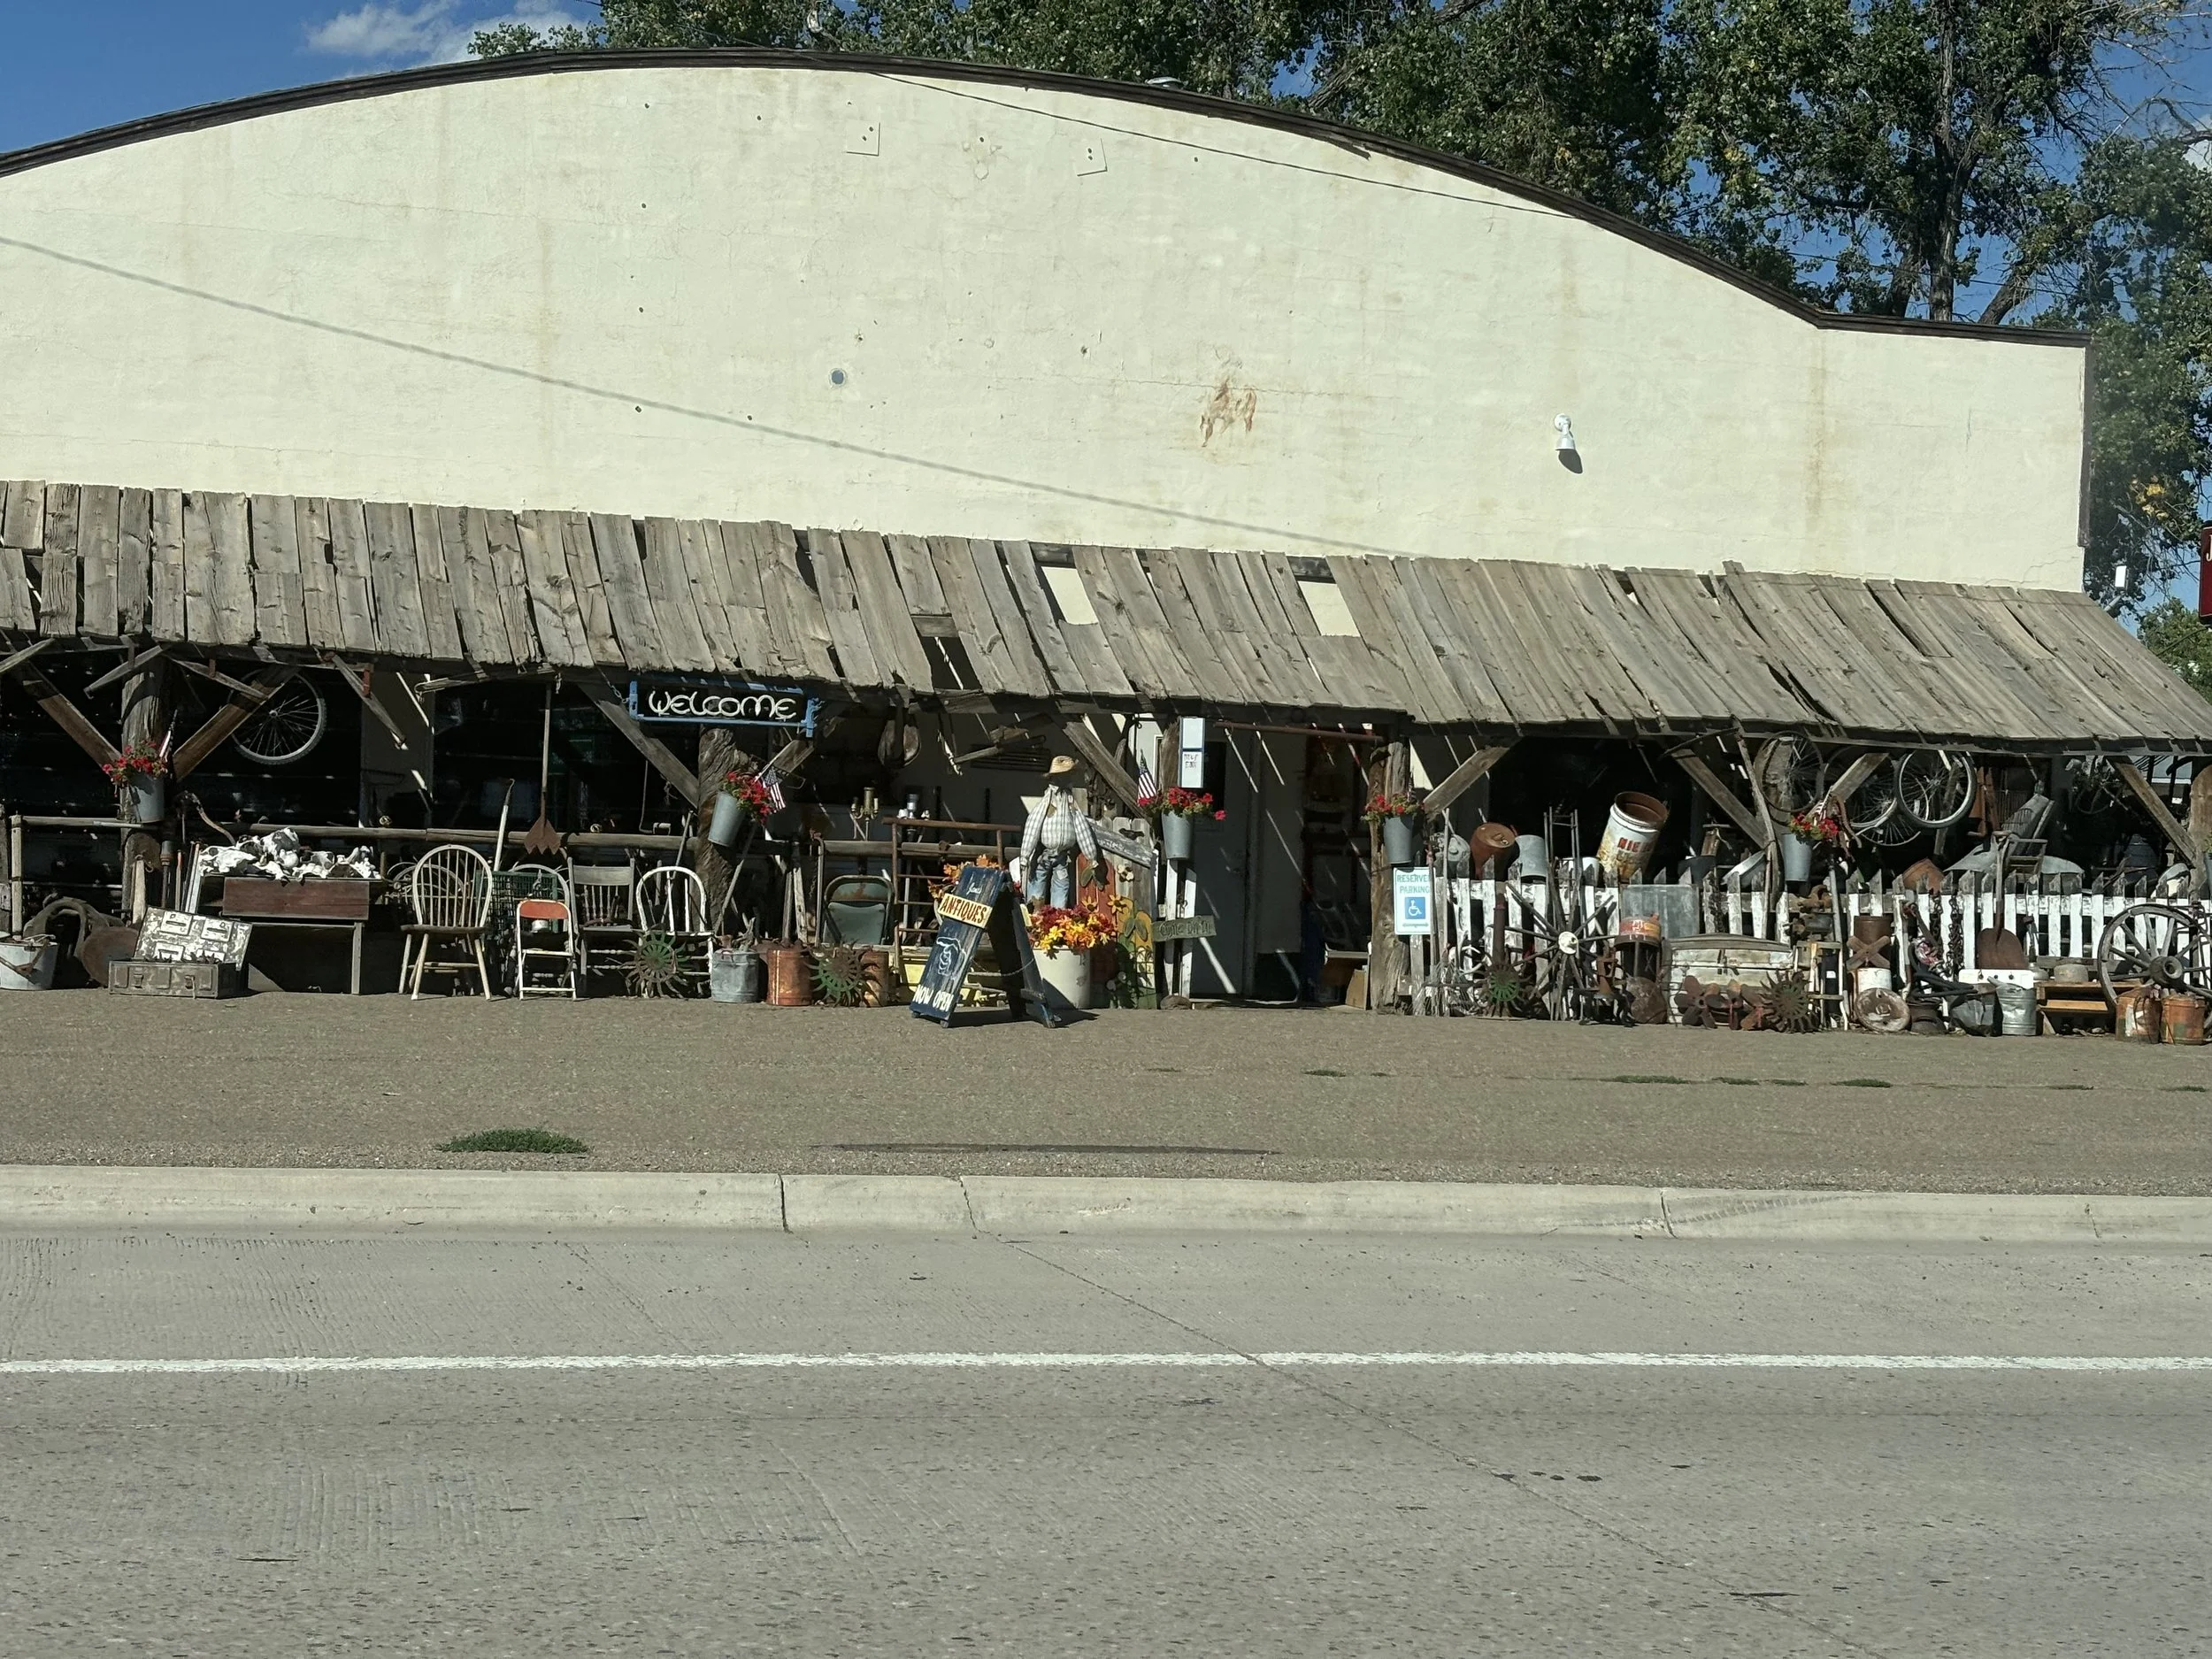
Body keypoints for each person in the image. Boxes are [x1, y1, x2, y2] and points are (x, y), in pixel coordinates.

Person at [1020, 756, 1100, 910]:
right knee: (1038, 881)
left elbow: (1081, 827)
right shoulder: (1048, 800)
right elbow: (1033, 825)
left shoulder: (1070, 802)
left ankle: (1058, 915)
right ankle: (1035, 915)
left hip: (1063, 856)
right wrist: (1025, 856)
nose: (1069, 777)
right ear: (1056, 777)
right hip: (1045, 854)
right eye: (1066, 774)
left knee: (1062, 884)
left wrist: (1092, 856)